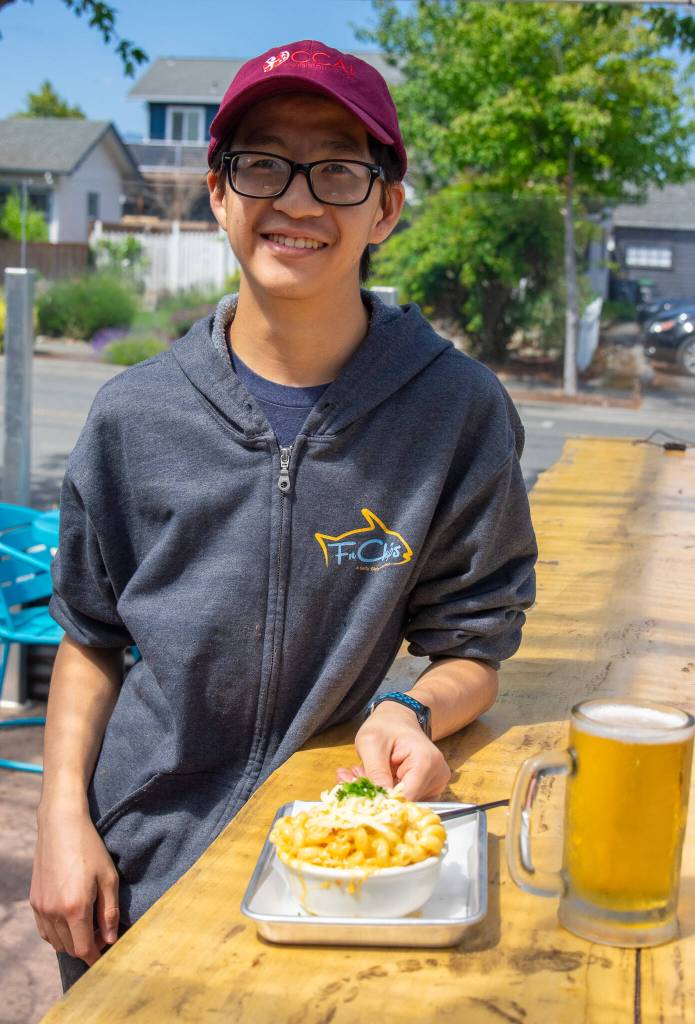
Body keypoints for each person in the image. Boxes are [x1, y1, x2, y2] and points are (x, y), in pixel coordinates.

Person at [30, 40, 537, 991]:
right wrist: (63, 822)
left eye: (339, 170)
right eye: (262, 163)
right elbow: (91, 637)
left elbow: (475, 643)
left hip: (335, 855)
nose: (297, 200)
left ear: (386, 206)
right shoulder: (134, 415)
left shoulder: (455, 412)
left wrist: (408, 706)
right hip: (134, 863)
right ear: (219, 193)